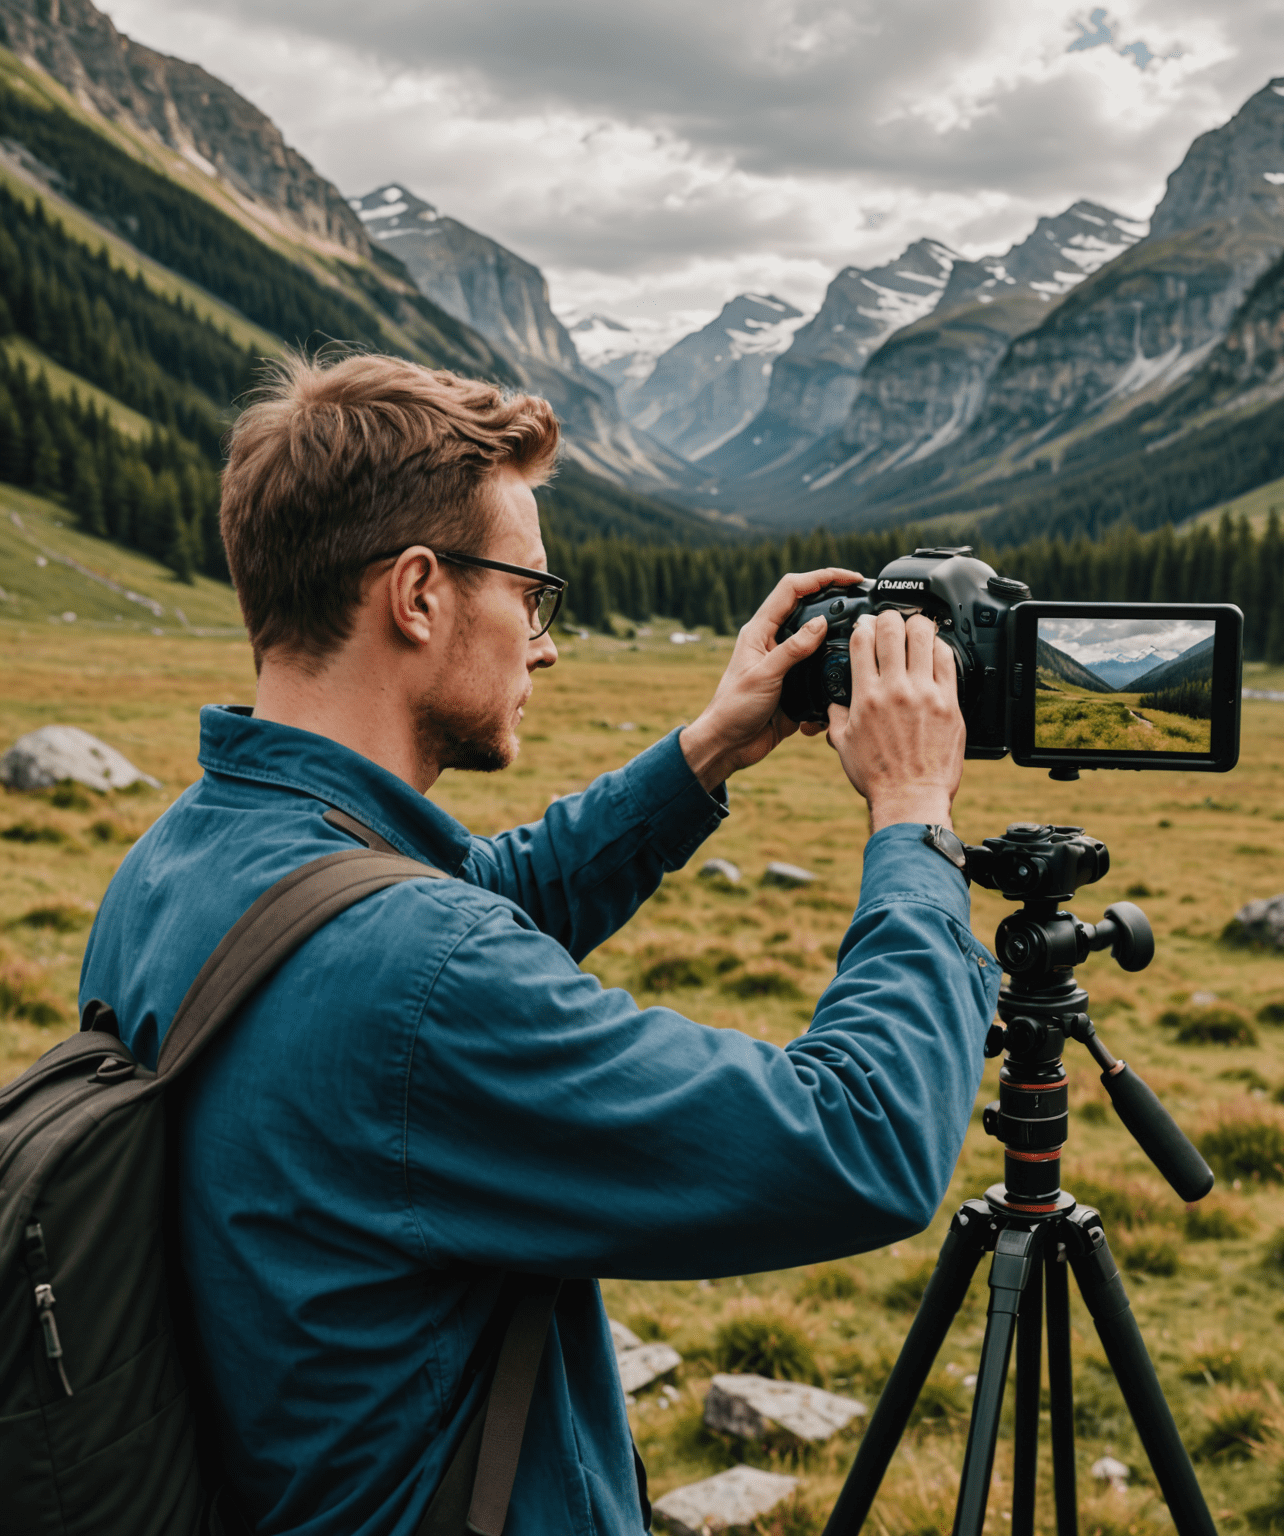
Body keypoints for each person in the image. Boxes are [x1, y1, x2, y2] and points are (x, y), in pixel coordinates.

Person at [80, 353, 999, 1536]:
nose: (547, 645)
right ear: (417, 594)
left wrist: (705, 750)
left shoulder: (183, 858)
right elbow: (857, 1143)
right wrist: (915, 819)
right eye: (529, 593)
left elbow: (457, 898)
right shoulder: (418, 974)